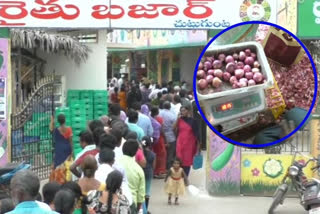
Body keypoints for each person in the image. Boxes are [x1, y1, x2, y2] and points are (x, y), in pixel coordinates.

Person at [119, 140, 145, 214]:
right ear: (135, 152)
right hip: (131, 203)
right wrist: (137, 209)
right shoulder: (139, 170)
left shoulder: (115, 163)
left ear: (123, 149)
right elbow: (141, 195)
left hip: (115, 203)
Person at [175, 105, 199, 177]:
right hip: (180, 143)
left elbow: (197, 135)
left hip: (189, 145)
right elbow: (174, 128)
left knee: (187, 162)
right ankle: (180, 176)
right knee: (179, 160)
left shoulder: (193, 121)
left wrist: (198, 149)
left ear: (188, 111)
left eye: (184, 110)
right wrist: (177, 119)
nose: (182, 112)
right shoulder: (179, 120)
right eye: (181, 111)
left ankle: (185, 178)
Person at [49, 114, 73, 184]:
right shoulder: (69, 129)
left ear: (58, 121)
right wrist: (72, 152)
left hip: (59, 149)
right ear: (65, 120)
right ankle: (65, 180)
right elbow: (71, 142)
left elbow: (50, 130)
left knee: (58, 164)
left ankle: (58, 181)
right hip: (67, 149)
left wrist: (52, 121)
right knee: (66, 165)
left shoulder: (56, 130)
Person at [159, 101, 177, 170]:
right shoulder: (172, 116)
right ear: (170, 107)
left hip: (161, 137)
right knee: (170, 153)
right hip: (171, 137)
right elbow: (174, 128)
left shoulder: (159, 113)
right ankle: (168, 167)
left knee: (162, 154)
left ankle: (162, 168)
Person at [150, 107, 167, 178]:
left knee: (154, 154)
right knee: (162, 155)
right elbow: (162, 130)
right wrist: (166, 139)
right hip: (159, 139)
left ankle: (154, 171)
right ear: (157, 112)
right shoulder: (159, 119)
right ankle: (159, 171)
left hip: (152, 139)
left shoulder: (149, 118)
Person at [141, 137, 155, 213]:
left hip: (141, 172)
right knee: (147, 191)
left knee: (141, 191)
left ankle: (141, 208)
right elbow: (154, 166)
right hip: (149, 173)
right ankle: (145, 210)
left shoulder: (140, 153)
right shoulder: (153, 154)